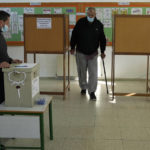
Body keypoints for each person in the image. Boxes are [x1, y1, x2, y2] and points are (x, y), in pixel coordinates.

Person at [70, 7, 106, 100]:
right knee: (82, 72)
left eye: (92, 15)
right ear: (87, 14)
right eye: (89, 15)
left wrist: (102, 51)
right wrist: (72, 47)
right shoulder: (80, 22)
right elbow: (74, 35)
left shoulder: (99, 25)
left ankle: (92, 91)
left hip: (93, 53)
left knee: (93, 73)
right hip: (80, 52)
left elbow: (102, 39)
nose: (91, 16)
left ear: (95, 15)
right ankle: (83, 87)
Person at [0, 11, 22, 105]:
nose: (8, 25)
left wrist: (10, 60)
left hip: (2, 73)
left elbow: (2, 53)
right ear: (1, 22)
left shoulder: (1, 34)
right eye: (8, 23)